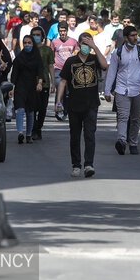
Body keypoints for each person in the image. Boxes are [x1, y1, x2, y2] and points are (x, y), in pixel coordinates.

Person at [56, 32, 108, 178]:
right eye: (84, 43)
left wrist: (95, 47)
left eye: (88, 43)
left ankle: (89, 164)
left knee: (90, 135)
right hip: (74, 104)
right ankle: (76, 165)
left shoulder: (94, 59)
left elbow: (104, 65)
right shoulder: (71, 61)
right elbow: (63, 81)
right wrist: (58, 101)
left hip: (91, 104)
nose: (86, 46)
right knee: (75, 136)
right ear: (78, 45)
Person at [104, 25, 140, 155]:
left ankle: (133, 143)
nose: (135, 38)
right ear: (126, 38)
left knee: (135, 118)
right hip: (121, 90)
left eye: (136, 35)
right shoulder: (117, 53)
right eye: (132, 35)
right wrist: (107, 91)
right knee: (122, 117)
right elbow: (112, 73)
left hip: (138, 90)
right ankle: (121, 141)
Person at [12, 34, 44, 144]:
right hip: (20, 87)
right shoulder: (19, 58)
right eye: (25, 43)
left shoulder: (37, 57)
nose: (27, 45)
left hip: (32, 87)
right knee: (20, 110)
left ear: (33, 44)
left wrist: (40, 83)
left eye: (29, 43)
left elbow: (40, 70)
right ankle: (20, 132)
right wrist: (11, 87)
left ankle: (29, 134)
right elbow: (14, 74)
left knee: (30, 112)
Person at [51, 21, 79, 118]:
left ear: (67, 31)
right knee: (60, 88)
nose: (62, 33)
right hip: (58, 69)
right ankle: (58, 109)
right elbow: (52, 56)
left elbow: (76, 53)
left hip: (70, 70)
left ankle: (66, 110)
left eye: (64, 31)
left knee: (68, 91)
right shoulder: (54, 42)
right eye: (60, 31)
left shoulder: (74, 41)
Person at [30, 26, 54, 140]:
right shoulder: (29, 50)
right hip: (31, 83)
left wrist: (53, 82)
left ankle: (39, 128)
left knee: (42, 108)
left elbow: (51, 66)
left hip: (45, 83)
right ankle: (34, 129)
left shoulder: (47, 50)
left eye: (38, 35)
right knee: (32, 108)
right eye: (34, 34)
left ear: (43, 37)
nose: (36, 37)